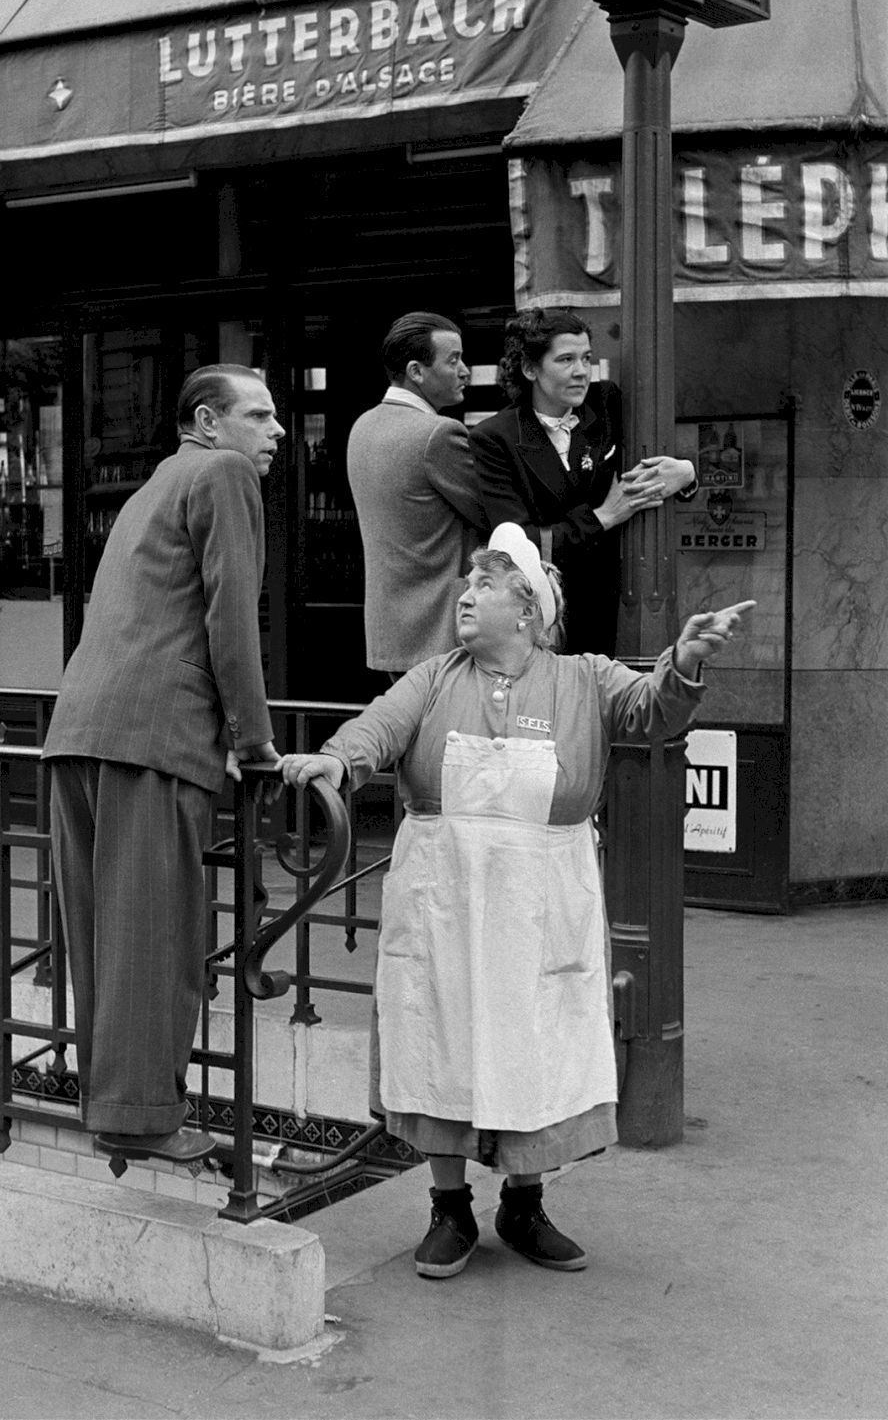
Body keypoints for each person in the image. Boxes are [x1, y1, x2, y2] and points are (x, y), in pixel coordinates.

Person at [280, 524, 753, 1279]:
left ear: (529, 608)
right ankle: (449, 1206)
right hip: (444, 900)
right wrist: (337, 759)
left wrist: (685, 661)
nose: (466, 596)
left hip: (541, 907)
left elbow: (652, 709)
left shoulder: (583, 679)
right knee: (442, 1036)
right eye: (468, 583)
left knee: (534, 1042)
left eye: (485, 584)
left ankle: (524, 1203)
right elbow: (378, 724)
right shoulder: (435, 677)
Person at [42, 364, 284, 1164]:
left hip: (78, 727)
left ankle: (116, 1106)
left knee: (100, 937)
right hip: (155, 736)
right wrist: (253, 740)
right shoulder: (223, 472)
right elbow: (231, 613)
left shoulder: (153, 485)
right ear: (209, 422)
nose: (276, 432)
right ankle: (142, 1119)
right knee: (156, 932)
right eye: (260, 415)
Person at [470, 308, 698, 655]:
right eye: (565, 360)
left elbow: (658, 464)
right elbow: (519, 543)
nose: (581, 372)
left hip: (617, 598)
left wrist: (685, 472)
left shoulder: (606, 402)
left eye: (587, 358)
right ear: (530, 369)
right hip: (545, 609)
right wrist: (604, 516)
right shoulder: (494, 438)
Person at [347, 311, 487, 677]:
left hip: (391, 634)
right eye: (453, 359)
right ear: (416, 371)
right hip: (442, 633)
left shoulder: (362, 427)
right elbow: (492, 512)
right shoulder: (438, 434)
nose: (465, 370)